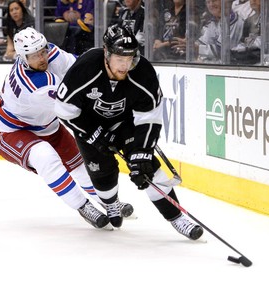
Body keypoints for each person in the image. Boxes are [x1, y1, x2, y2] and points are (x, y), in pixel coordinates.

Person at [54, 24, 204, 240]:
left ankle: (178, 218)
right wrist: (95, 135)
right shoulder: (85, 67)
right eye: (120, 59)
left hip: (125, 124)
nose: (126, 65)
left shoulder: (142, 72)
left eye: (130, 58)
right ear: (106, 53)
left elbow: (149, 116)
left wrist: (142, 152)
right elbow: (64, 109)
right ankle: (111, 204)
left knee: (147, 167)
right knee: (101, 174)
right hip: (88, 125)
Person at [0, 27, 134, 230]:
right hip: (12, 131)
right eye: (34, 55)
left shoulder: (50, 53)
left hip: (47, 124)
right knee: (45, 156)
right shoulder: (34, 85)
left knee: (79, 163)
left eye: (43, 51)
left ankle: (108, 202)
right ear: (22, 57)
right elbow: (73, 104)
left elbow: (81, 67)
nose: (42, 57)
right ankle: (83, 207)